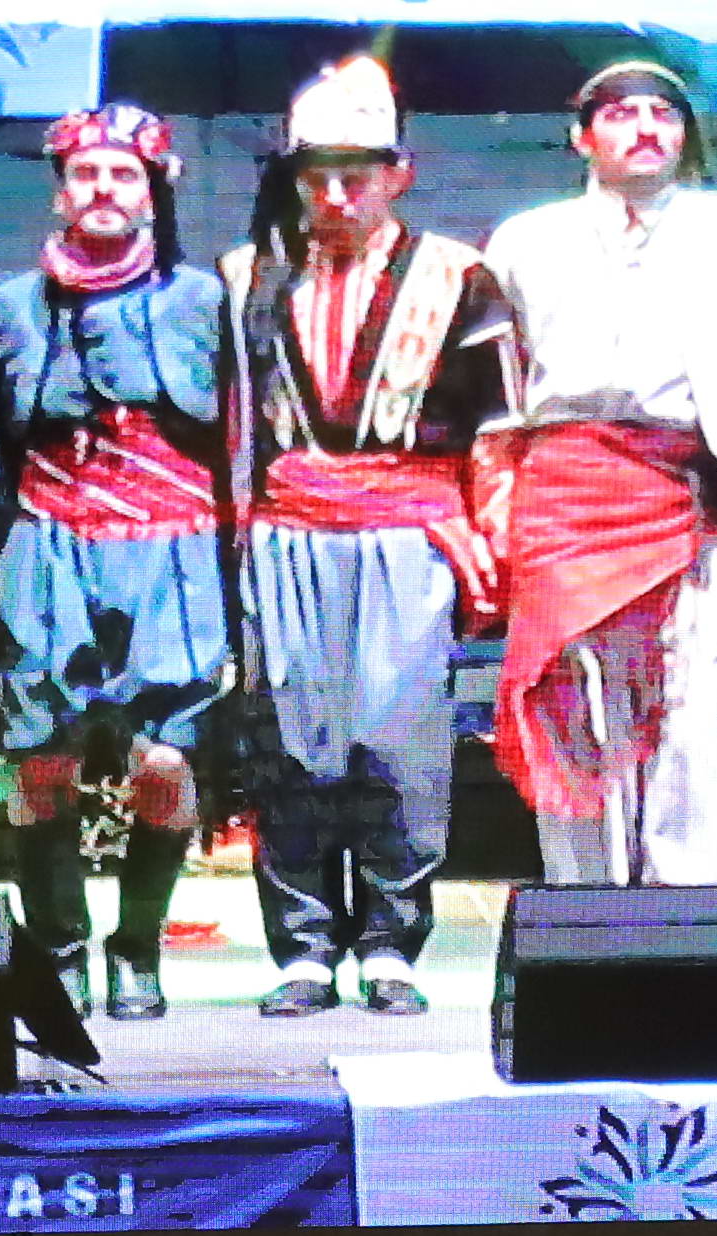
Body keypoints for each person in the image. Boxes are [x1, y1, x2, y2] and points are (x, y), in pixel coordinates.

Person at [216, 59, 509, 1019]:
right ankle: (303, 946)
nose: (337, 196)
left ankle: (390, 941)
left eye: (357, 175)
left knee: (399, 740)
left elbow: (497, 427)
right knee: (291, 740)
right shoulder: (249, 276)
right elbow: (233, 426)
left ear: (398, 174)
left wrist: (489, 545)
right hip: (290, 529)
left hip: (407, 530)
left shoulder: (458, 274)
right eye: (319, 176)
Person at [482, 62, 717, 886]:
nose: (647, 128)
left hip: (693, 490)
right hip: (568, 495)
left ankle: (697, 922)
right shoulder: (525, 240)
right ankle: (586, 916)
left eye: (664, 113)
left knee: (702, 717)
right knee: (578, 706)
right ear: (583, 137)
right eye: (622, 114)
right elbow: (501, 386)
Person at [0, 104, 231, 1020]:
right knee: (41, 763)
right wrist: (13, 554)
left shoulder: (204, 300)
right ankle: (59, 951)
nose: (104, 188)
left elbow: (239, 437)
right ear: (60, 190)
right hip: (51, 542)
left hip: (173, 546)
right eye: (86, 172)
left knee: (164, 761)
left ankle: (138, 951)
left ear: (152, 191)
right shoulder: (7, 306)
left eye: (123, 174)